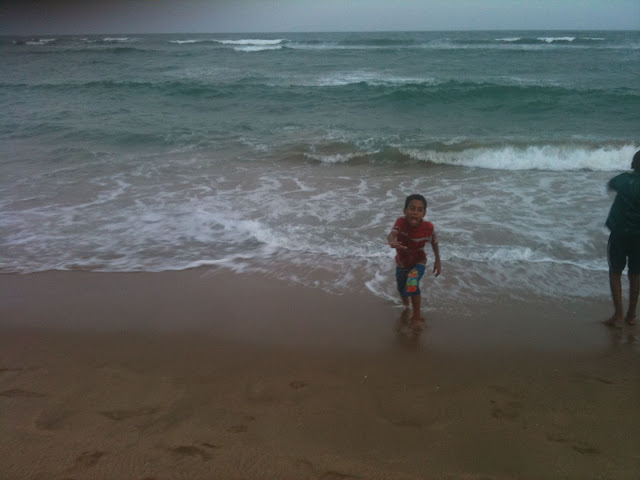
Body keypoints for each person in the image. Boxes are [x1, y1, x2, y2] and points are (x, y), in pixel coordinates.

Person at [387, 194, 441, 328]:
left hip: (419, 261)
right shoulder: (400, 222)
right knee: (402, 288)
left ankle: (417, 316)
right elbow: (392, 234)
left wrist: (437, 261)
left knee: (412, 283)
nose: (415, 212)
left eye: (419, 210)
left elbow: (434, 243)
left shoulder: (428, 227)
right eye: (412, 208)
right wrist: (392, 241)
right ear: (405, 211)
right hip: (402, 262)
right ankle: (406, 306)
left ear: (424, 213)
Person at [603, 150, 640, 327]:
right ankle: (631, 315)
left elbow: (610, 184)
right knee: (635, 274)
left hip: (618, 233)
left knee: (615, 272)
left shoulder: (623, 180)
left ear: (633, 164)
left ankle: (618, 314)